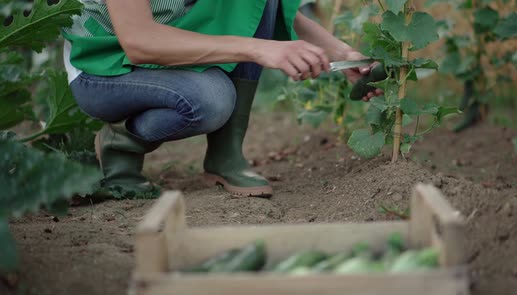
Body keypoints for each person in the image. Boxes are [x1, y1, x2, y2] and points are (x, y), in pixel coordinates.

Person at [63, 0, 381, 199]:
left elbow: (274, 5)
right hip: (103, 66)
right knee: (210, 99)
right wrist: (256, 48)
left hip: (170, 48)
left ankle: (225, 155)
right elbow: (139, 41)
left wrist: (343, 55)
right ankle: (121, 142)